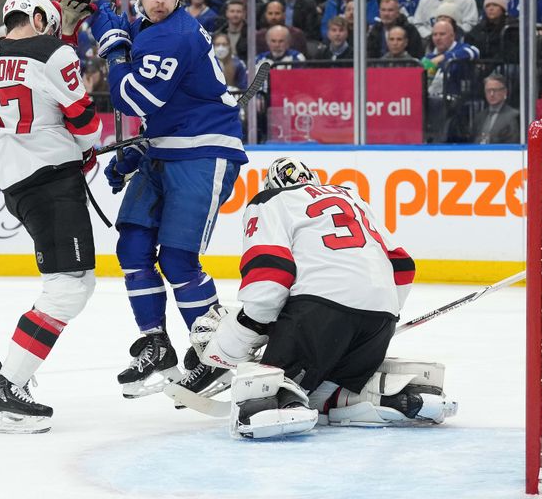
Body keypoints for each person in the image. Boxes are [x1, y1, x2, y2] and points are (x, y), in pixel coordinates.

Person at [185, 157, 455, 439]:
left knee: (264, 389)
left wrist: (241, 335)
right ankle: (393, 396)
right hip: (380, 320)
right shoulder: (351, 197)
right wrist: (372, 316)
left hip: (319, 312)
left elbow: (270, 274)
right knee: (326, 393)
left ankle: (279, 402)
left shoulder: (269, 201)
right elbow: (402, 266)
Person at [89, 0, 247, 399]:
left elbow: (132, 101)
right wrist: (138, 148)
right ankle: (156, 344)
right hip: (164, 150)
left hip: (203, 153)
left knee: (178, 260)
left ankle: (217, 354)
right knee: (133, 245)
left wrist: (113, 48)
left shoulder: (175, 35)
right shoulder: (147, 29)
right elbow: (161, 113)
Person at [0, 0, 102, 433]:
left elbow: (32, 86)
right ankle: (7, 388)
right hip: (51, 180)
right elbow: (82, 116)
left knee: (75, 283)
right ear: (37, 16)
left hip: (20, 181)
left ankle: (13, 380)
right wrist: (90, 150)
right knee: (68, 287)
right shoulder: (53, 52)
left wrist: (64, 35)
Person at [467, 73, 519, 144]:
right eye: (488, 90)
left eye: (495, 90)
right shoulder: (479, 117)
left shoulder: (513, 116)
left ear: (504, 92)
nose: (491, 94)